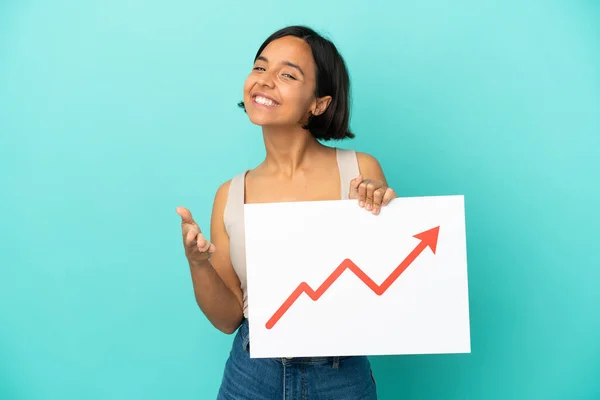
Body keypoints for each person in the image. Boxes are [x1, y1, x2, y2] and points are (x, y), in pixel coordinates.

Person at [177, 25, 397, 400]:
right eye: (260, 68)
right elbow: (227, 318)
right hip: (252, 372)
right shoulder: (230, 194)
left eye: (288, 74)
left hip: (340, 373)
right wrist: (198, 263)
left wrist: (382, 210)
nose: (265, 81)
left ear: (319, 103)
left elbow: (387, 284)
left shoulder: (361, 171)